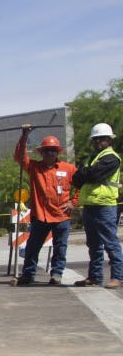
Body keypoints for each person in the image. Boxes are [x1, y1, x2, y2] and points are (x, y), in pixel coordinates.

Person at [10, 127, 76, 287]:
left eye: (53, 150)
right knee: (33, 247)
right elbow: (19, 156)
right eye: (47, 150)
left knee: (60, 247)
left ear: (57, 152)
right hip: (41, 215)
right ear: (41, 153)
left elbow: (81, 185)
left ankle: (56, 274)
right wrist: (24, 136)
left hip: (62, 215)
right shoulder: (34, 167)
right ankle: (28, 274)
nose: (50, 153)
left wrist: (73, 202)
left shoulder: (68, 169)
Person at [72, 123, 123, 289]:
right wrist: (86, 173)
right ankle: (94, 276)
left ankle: (118, 277)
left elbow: (93, 175)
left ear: (109, 140)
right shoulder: (93, 158)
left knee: (110, 243)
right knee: (93, 245)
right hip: (89, 205)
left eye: (101, 139)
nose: (97, 142)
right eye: (95, 139)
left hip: (104, 206)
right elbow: (76, 178)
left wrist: (85, 172)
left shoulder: (111, 158)